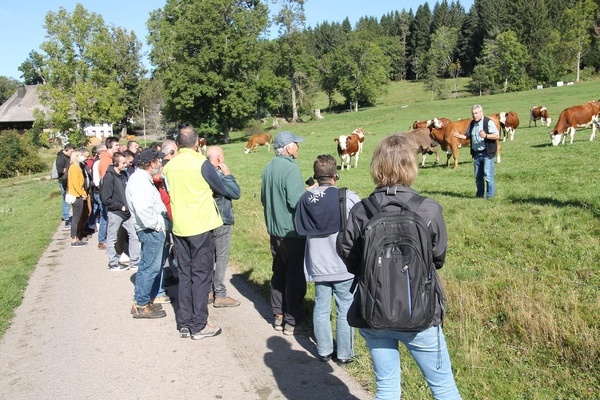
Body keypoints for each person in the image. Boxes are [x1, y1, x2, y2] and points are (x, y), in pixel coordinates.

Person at [338, 135, 461, 399]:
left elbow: (348, 255)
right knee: (443, 387)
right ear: (411, 165)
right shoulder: (428, 209)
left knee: (386, 385)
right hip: (420, 311)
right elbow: (437, 258)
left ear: (376, 166)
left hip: (373, 310)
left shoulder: (361, 211)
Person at [163, 126, 227, 340]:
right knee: (201, 275)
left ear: (178, 144)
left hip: (180, 225)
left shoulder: (170, 167)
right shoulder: (202, 164)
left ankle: (184, 322)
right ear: (198, 142)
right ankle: (199, 324)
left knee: (185, 274)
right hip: (199, 224)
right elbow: (220, 187)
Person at [294, 154, 359, 364]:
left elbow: (298, 226)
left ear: (315, 176)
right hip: (343, 264)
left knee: (321, 307)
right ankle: (344, 354)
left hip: (317, 264)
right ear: (335, 175)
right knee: (345, 308)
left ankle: (323, 350)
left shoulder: (305, 199)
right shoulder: (347, 197)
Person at [261, 131, 307, 335]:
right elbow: (296, 201)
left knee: (278, 272)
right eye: (296, 143)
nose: (298, 147)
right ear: (288, 148)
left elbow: (264, 198)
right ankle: (292, 319)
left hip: (274, 229)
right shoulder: (291, 168)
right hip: (291, 231)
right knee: (294, 275)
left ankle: (278, 315)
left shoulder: (268, 167)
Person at [126, 148, 168, 319]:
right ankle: (141, 305)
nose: (160, 163)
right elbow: (143, 209)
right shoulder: (140, 181)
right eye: (158, 160)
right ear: (151, 163)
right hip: (150, 230)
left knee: (147, 266)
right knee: (150, 267)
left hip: (150, 229)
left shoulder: (143, 178)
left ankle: (142, 302)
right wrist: (158, 225)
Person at [206, 146, 241, 308]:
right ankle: (219, 293)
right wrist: (228, 174)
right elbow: (235, 193)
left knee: (209, 256)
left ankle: (207, 290)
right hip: (222, 219)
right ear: (218, 158)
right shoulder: (218, 174)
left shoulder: (203, 172)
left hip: (206, 219)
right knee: (221, 256)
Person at [100, 152, 140, 271]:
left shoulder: (124, 175)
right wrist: (119, 206)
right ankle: (113, 263)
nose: (125, 165)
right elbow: (105, 198)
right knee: (112, 238)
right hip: (116, 212)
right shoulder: (109, 177)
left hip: (127, 212)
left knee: (134, 235)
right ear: (116, 163)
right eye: (123, 163)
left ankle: (135, 261)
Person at [454, 104, 500, 199]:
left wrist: (486, 136)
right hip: (476, 154)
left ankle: (489, 196)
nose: (474, 115)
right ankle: (479, 195)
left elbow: (497, 136)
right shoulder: (472, 124)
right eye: (473, 113)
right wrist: (459, 136)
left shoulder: (488, 122)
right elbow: (467, 136)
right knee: (478, 177)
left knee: (488, 175)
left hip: (487, 153)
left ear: (481, 112)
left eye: (476, 113)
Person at [67, 149, 88, 247]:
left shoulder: (74, 167)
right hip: (76, 196)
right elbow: (76, 184)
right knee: (76, 218)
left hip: (76, 194)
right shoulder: (74, 168)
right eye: (80, 155)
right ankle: (74, 239)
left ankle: (75, 238)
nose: (82, 157)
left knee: (77, 218)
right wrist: (82, 193)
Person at [91, 145, 108, 250]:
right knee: (104, 216)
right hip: (99, 191)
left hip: (98, 191)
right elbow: (97, 181)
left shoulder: (98, 161)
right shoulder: (98, 162)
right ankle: (102, 240)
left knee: (102, 215)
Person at [56, 143, 74, 229]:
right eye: (71, 151)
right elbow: (59, 170)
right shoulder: (60, 158)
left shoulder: (67, 157)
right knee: (65, 199)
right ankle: (66, 219)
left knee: (69, 198)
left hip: (68, 180)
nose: (72, 153)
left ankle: (69, 217)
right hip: (63, 180)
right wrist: (70, 169)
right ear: (66, 150)